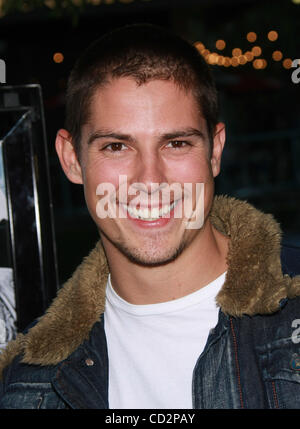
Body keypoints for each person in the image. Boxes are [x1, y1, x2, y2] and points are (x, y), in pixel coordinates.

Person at [0, 23, 300, 410]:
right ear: (72, 159)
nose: (149, 179)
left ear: (214, 151)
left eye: (176, 144)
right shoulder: (26, 384)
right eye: (116, 147)